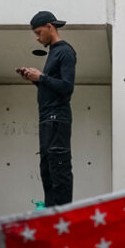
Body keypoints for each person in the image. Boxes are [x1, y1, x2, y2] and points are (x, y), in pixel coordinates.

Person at [16, 11, 76, 207]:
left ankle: (62, 218)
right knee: (47, 170)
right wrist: (36, 80)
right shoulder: (53, 52)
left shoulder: (65, 51)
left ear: (51, 27)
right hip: (47, 118)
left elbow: (67, 87)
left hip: (57, 118)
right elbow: (53, 87)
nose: (37, 37)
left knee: (59, 168)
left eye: (39, 32)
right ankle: (51, 217)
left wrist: (41, 77)